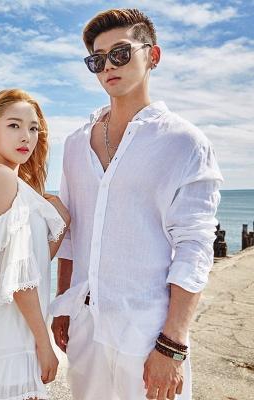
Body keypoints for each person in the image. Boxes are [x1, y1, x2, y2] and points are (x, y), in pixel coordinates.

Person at [49, 9, 223, 400]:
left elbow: (194, 247)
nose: (109, 66)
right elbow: (70, 232)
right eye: (97, 60)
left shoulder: (185, 143)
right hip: (86, 327)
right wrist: (63, 305)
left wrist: (173, 343)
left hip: (148, 334)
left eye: (121, 53)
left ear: (153, 56)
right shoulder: (75, 144)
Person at [0, 89, 70, 400]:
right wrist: (44, 343)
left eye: (33, 128)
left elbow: (30, 263)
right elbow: (19, 279)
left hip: (13, 333)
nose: (26, 137)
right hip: (14, 338)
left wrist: (61, 224)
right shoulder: (0, 179)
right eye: (14, 125)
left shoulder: (7, 182)